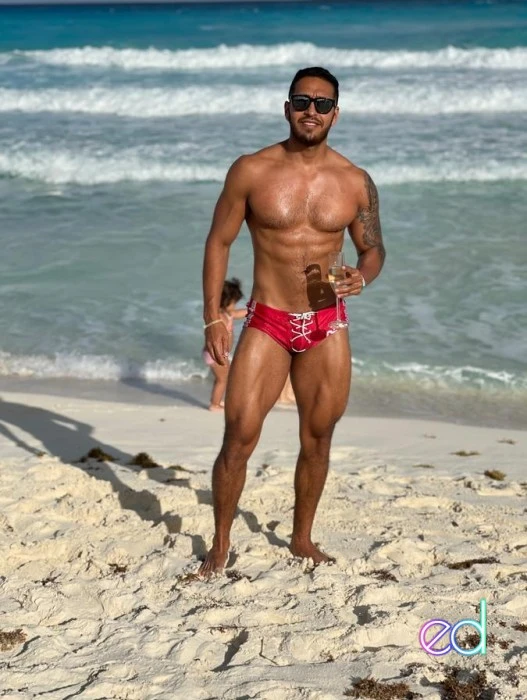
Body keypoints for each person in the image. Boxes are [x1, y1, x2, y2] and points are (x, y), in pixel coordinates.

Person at [200, 66, 386, 576]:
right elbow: (219, 241)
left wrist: (363, 276)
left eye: (322, 104)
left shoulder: (355, 182)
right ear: (287, 108)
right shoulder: (251, 170)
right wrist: (213, 317)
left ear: (335, 114)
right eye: (302, 101)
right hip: (268, 320)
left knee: (318, 437)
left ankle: (302, 539)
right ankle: (220, 545)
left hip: (326, 322)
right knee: (239, 434)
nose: (311, 111)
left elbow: (373, 249)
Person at [202, 277, 246, 411]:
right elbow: (210, 334)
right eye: (233, 303)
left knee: (224, 377)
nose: (235, 306)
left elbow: (242, 312)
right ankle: (214, 404)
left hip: (220, 353)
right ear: (226, 301)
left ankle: (217, 401)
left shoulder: (229, 314)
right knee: (222, 379)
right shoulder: (218, 317)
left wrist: (256, 308)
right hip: (214, 353)